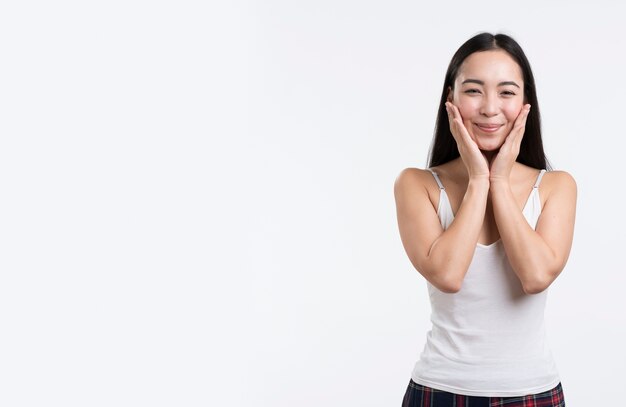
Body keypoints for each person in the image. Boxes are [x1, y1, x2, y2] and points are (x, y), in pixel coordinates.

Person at [394, 32, 576, 406]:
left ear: (526, 103)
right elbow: (448, 274)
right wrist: (479, 179)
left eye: (507, 92)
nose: (490, 108)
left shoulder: (556, 186)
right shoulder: (418, 184)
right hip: (439, 390)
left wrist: (499, 182)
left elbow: (536, 276)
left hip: (533, 392)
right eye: (474, 90)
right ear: (451, 99)